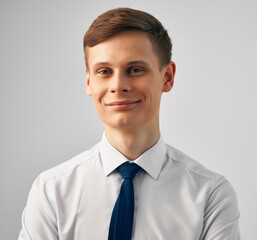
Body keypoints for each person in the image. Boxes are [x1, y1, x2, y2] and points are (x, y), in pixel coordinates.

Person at [18, 7, 240, 240]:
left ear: (167, 77)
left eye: (135, 70)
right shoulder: (51, 192)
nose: (118, 85)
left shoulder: (210, 196)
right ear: (89, 81)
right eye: (104, 71)